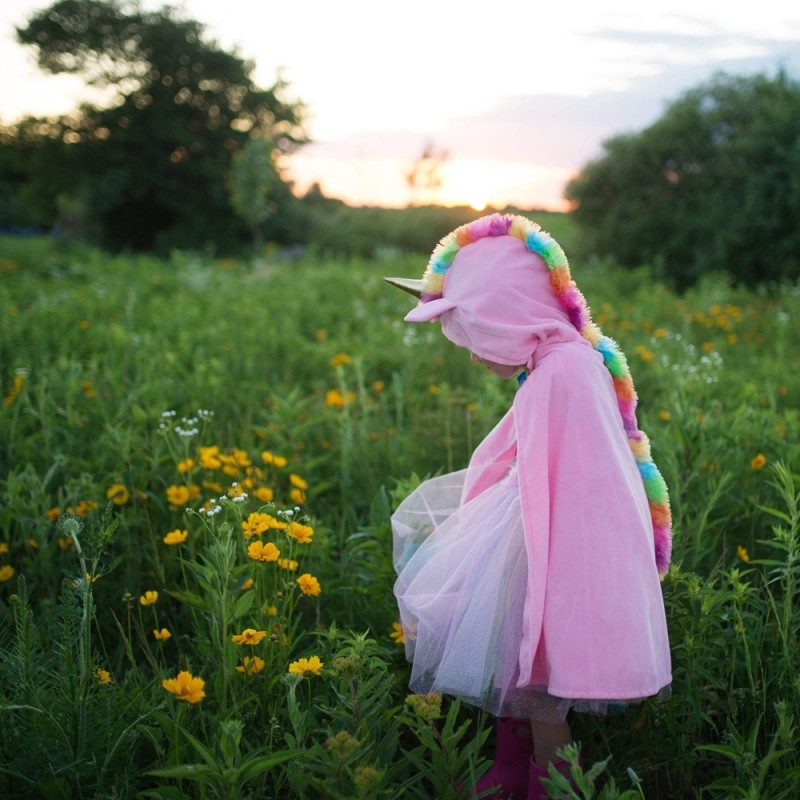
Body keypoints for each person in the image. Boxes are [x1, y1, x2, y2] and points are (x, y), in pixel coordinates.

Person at [385, 213, 672, 800]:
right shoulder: (553, 363)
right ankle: (513, 769)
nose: (471, 356)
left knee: (538, 675)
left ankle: (555, 782)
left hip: (555, 540)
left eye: (473, 336)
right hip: (528, 525)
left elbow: (584, 482)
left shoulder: (562, 371)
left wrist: (544, 569)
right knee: (514, 663)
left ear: (505, 321)